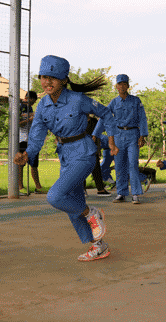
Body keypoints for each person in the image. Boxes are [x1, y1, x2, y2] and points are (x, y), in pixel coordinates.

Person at [13, 56, 115, 262]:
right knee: (72, 203)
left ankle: (92, 212)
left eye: (53, 78)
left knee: (55, 196)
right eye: (43, 77)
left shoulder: (78, 100)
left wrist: (109, 141)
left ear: (64, 80)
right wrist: (27, 154)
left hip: (84, 153)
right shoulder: (42, 106)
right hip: (65, 155)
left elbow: (107, 114)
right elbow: (36, 136)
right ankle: (98, 246)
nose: (47, 82)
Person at [106, 74, 148, 205]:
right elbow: (105, 117)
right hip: (118, 135)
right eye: (119, 84)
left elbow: (142, 118)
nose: (122, 86)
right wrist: (96, 133)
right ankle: (121, 193)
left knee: (132, 164)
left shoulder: (136, 101)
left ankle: (135, 194)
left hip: (133, 135)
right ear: (116, 87)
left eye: (124, 84)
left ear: (128, 86)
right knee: (119, 165)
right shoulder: (113, 102)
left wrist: (142, 135)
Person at [18, 90, 44, 193]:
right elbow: (19, 123)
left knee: (34, 164)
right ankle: (20, 187)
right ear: (30, 98)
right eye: (33, 101)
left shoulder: (30, 108)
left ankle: (38, 187)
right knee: (21, 164)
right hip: (22, 139)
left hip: (32, 140)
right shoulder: (20, 107)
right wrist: (30, 120)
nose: (33, 103)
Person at [87, 114, 111, 195]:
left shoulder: (94, 121)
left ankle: (100, 189)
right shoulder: (79, 120)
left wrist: (98, 149)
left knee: (96, 168)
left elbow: (97, 136)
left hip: (93, 148)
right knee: (81, 168)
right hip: (82, 147)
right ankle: (82, 190)